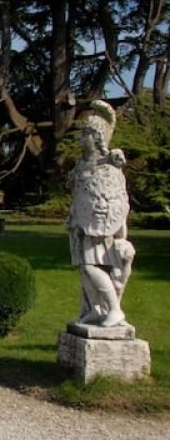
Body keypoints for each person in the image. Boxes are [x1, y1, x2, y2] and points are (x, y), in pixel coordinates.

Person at [67, 100, 135, 327]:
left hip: (99, 228)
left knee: (90, 267)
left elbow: (116, 199)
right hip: (83, 225)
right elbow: (76, 188)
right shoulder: (84, 164)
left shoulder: (108, 166)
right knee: (85, 270)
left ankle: (114, 309)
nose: (80, 138)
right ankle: (97, 309)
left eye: (84, 134)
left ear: (96, 137)